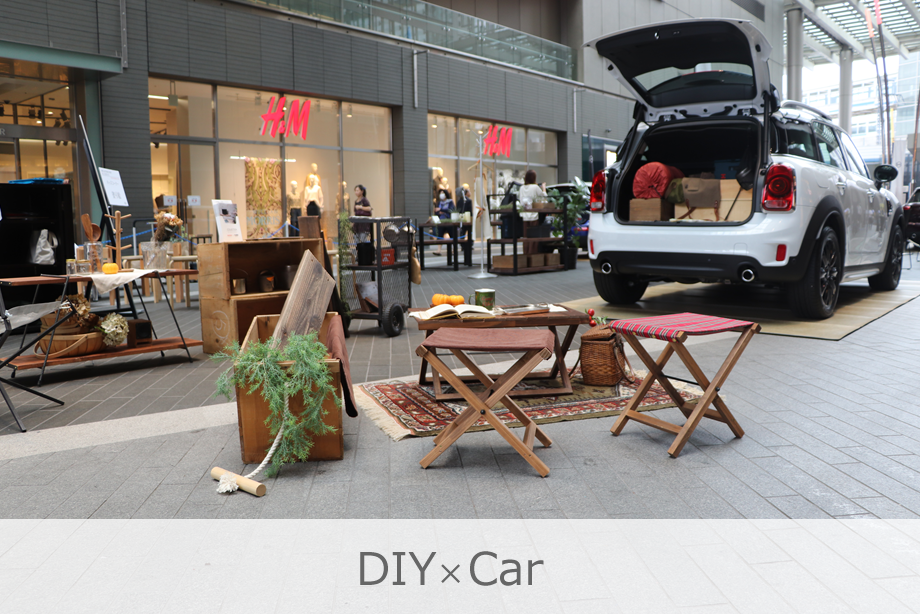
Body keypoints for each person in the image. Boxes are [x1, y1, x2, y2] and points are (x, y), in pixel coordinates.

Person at [518, 170, 547, 255]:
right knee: (534, 237)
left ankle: (526, 255)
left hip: (524, 216)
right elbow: (544, 197)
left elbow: (520, 200)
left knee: (526, 237)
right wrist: (544, 188)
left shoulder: (521, 188)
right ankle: (532, 256)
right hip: (533, 215)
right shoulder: (535, 187)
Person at [432, 188, 454, 256]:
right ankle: (438, 250)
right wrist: (441, 211)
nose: (441, 195)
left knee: (452, 235)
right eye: (440, 193)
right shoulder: (439, 203)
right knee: (439, 235)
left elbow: (451, 210)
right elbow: (436, 211)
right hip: (440, 221)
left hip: (449, 221)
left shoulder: (450, 201)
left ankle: (453, 250)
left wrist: (441, 210)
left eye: (443, 193)